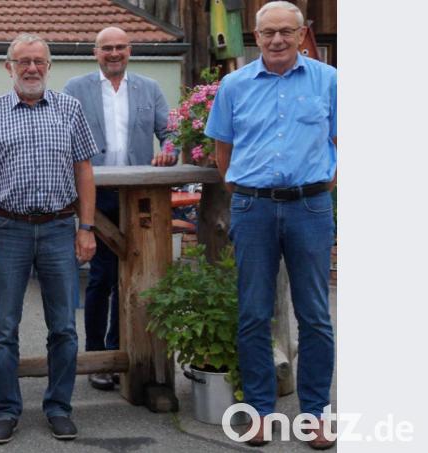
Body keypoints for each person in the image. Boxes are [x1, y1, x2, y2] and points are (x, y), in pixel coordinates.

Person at [204, 2, 337, 449]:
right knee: (253, 313)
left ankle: (315, 414)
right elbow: (223, 151)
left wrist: (322, 181)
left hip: (311, 207)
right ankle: (260, 412)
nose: (277, 40)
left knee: (315, 315)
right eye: (268, 33)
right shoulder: (234, 85)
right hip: (253, 208)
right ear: (255, 38)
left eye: (286, 31)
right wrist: (246, 189)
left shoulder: (330, 81)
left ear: (302, 35)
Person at [0, 33, 98, 444]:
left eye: (39, 61)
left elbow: (84, 171)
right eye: (23, 61)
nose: (31, 69)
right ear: (9, 67)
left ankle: (59, 407)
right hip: (7, 230)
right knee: (3, 327)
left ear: (49, 66)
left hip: (61, 228)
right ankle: (7, 410)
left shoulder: (70, 109)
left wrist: (87, 228)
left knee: (63, 327)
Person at [63, 26, 176, 391]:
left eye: (120, 48)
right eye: (107, 48)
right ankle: (97, 356)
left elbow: (170, 132)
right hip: (96, 194)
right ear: (95, 52)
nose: (114, 53)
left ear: (130, 50)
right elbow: (60, 136)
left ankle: (123, 351)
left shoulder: (149, 88)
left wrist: (169, 149)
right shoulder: (75, 89)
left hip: (138, 194)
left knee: (137, 275)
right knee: (101, 277)